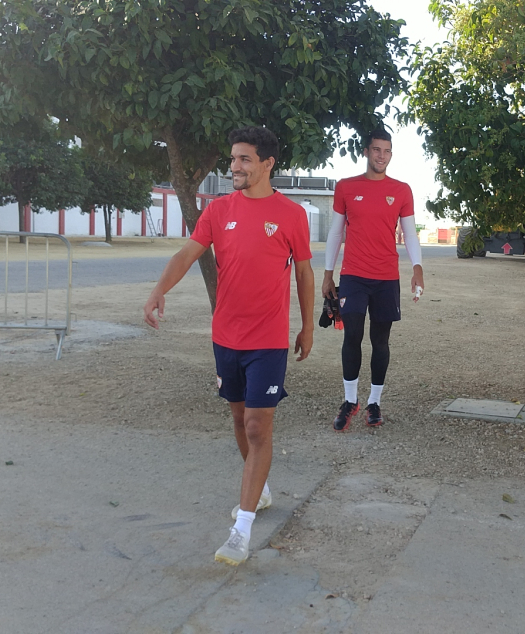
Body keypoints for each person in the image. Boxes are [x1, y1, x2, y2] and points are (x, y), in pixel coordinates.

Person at [142, 126, 315, 566]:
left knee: (258, 426)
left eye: (243, 159)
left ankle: (241, 529)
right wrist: (159, 289)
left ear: (267, 164)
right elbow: (188, 253)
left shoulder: (292, 215)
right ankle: (260, 487)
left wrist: (307, 326)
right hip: (227, 337)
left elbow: (304, 274)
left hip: (269, 339)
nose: (234, 167)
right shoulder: (219, 211)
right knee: (239, 420)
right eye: (233, 159)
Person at [322, 128, 424, 431]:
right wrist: (328, 274)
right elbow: (336, 233)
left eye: (387, 151)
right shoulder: (346, 187)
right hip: (353, 275)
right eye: (376, 150)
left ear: (391, 154)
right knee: (351, 335)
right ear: (367, 151)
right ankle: (350, 400)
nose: (381, 156)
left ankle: (374, 402)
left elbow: (409, 233)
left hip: (385, 277)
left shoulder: (402, 190)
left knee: (380, 341)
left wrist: (416, 267)